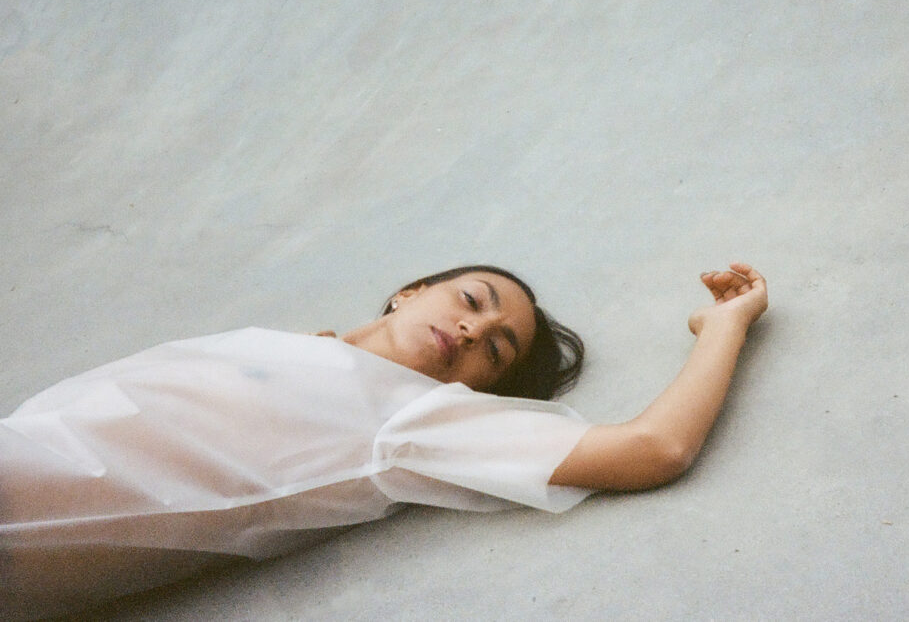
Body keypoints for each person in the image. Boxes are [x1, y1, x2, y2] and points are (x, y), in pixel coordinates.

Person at [0, 262, 768, 620]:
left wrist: (724, 326)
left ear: (474, 391)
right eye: (473, 301)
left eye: (493, 351)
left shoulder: (412, 419)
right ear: (412, 289)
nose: (473, 328)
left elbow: (655, 448)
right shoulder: (292, 345)